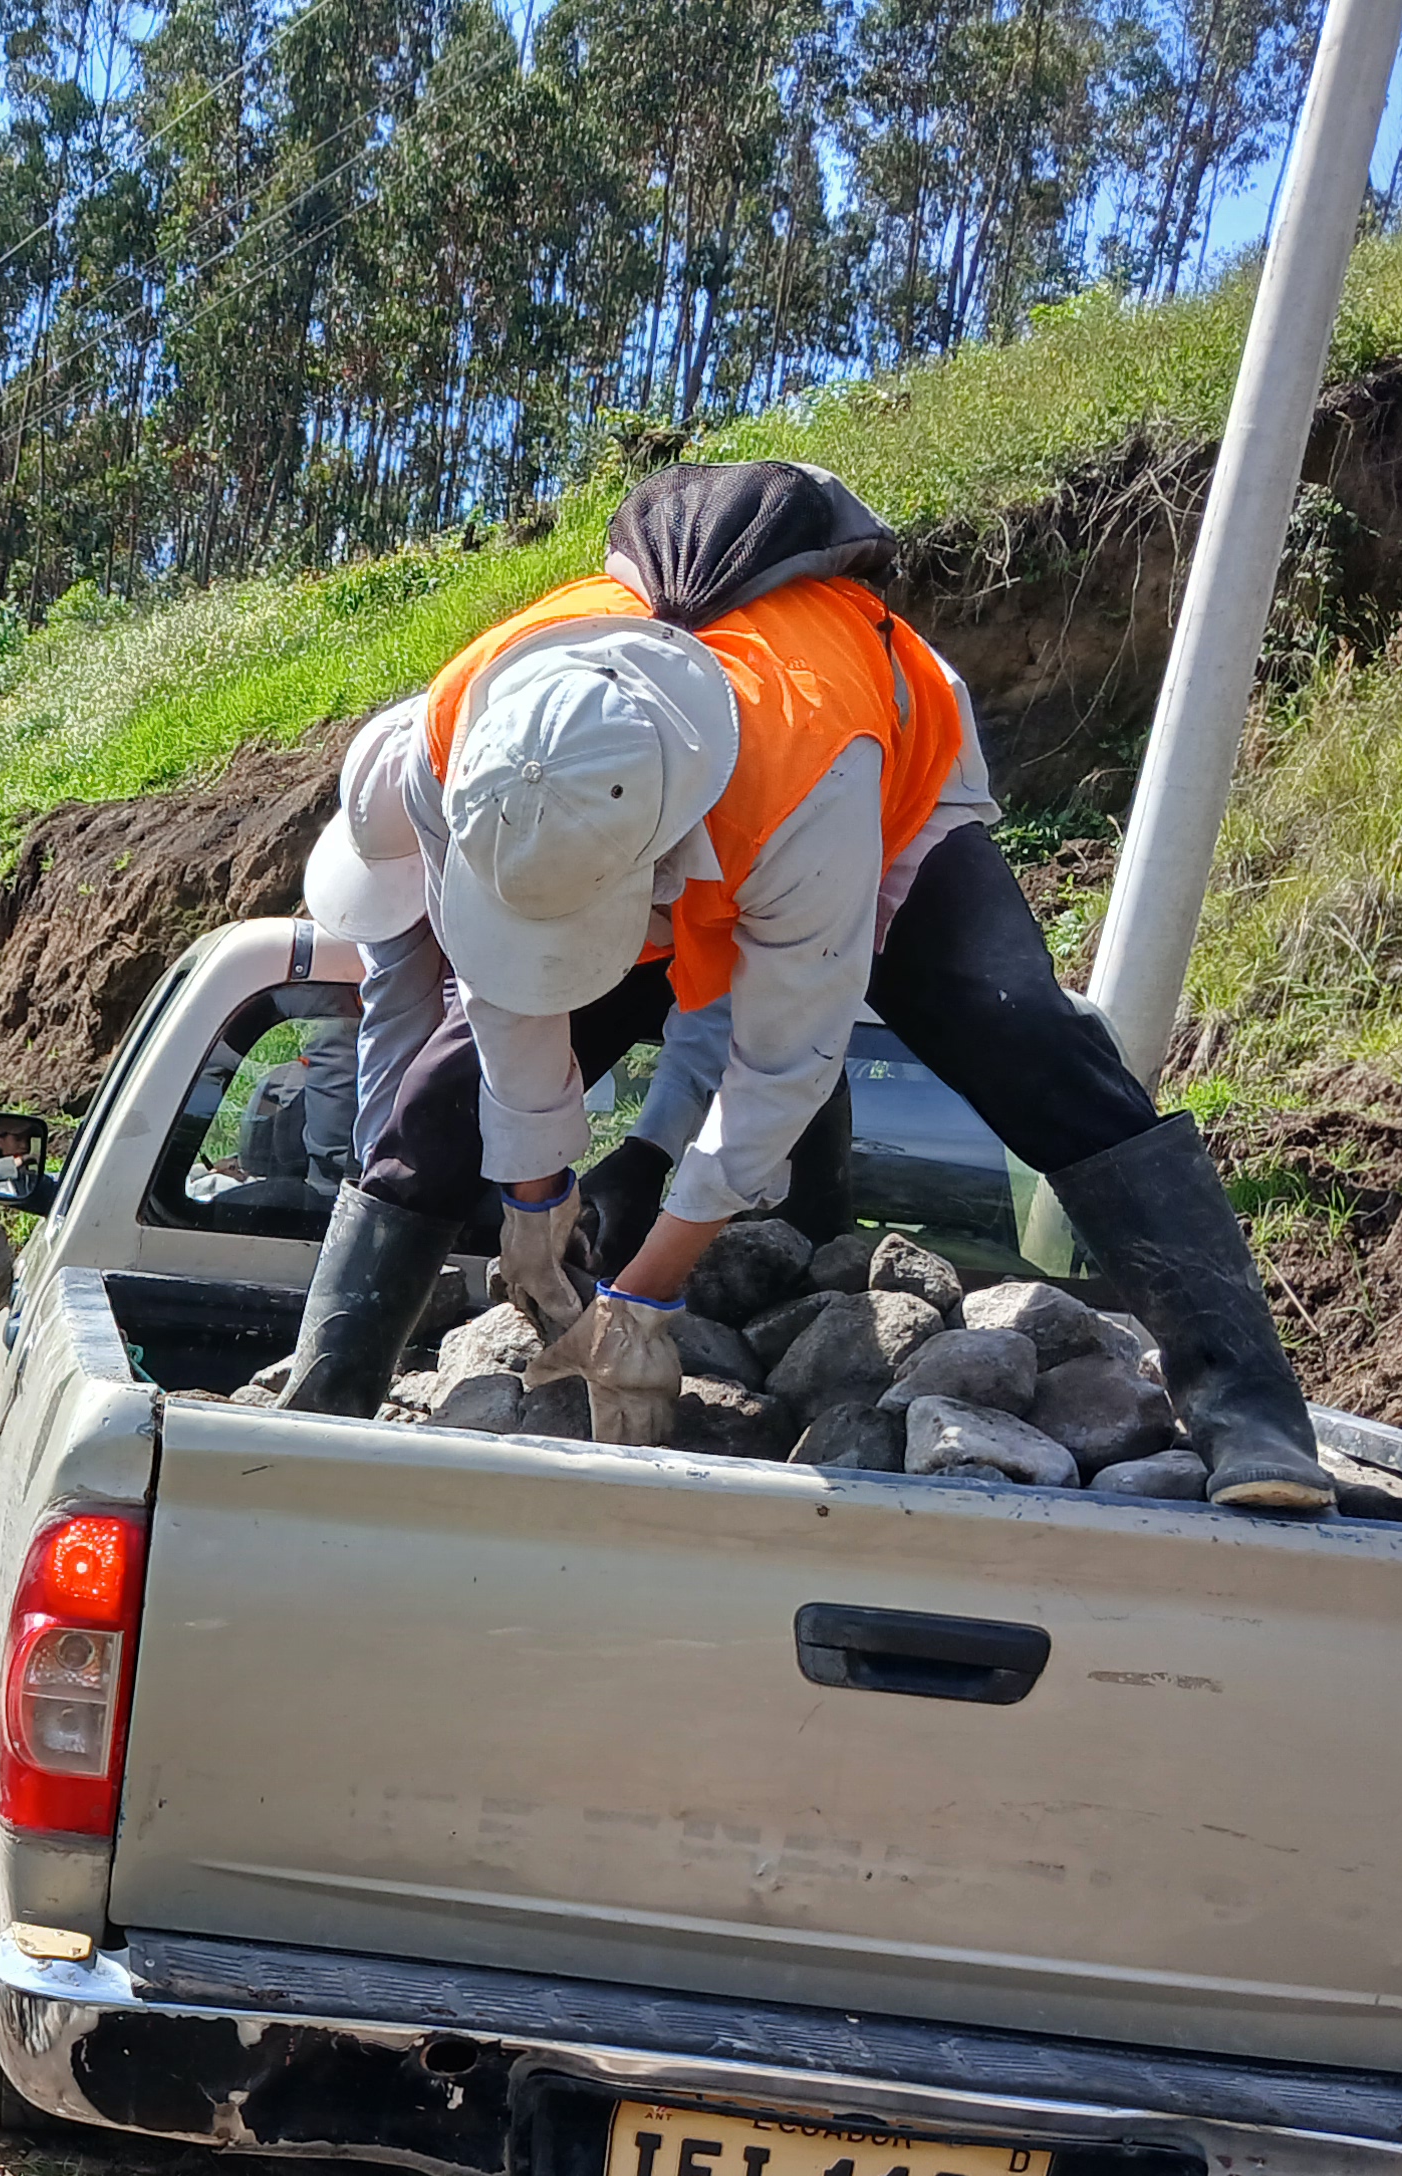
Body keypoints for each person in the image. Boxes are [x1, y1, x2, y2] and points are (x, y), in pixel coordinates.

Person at [275, 461, 1333, 1515]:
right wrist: (534, 1202)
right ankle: (319, 1411)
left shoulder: (809, 781)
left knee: (1023, 1036)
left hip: (887, 798)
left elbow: (780, 1065)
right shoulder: (455, 734)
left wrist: (644, 1296)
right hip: (630, 841)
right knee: (442, 1100)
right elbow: (502, 999)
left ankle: (1249, 1413)